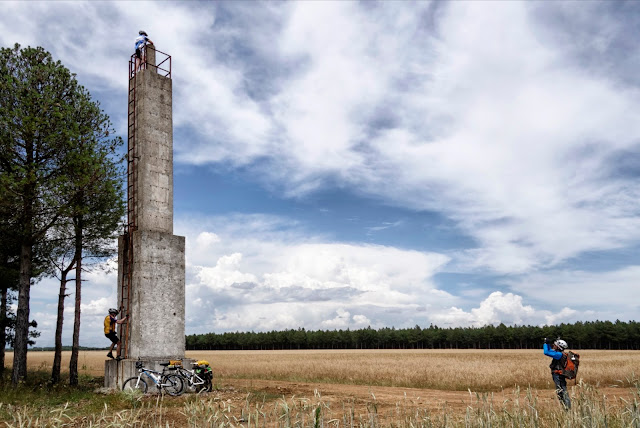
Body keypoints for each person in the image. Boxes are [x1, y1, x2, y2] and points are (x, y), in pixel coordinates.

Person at [543, 337, 571, 409]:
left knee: (562, 392)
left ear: (558, 347)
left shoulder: (559, 355)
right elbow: (549, 350)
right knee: (561, 392)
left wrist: (545, 343)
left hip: (558, 376)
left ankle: (567, 409)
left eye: (555, 345)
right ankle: (565, 408)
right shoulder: (560, 353)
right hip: (559, 375)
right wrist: (548, 343)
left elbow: (546, 352)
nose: (553, 345)